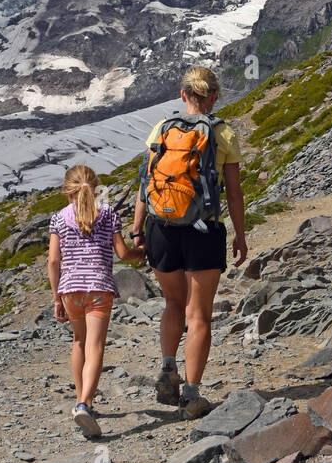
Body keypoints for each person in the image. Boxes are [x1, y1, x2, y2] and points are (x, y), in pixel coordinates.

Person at [131, 65, 247, 419]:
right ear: (213, 96)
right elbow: (235, 194)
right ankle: (191, 394)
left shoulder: (161, 129)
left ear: (184, 95)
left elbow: (143, 185)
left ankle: (168, 366)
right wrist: (240, 235)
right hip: (202, 230)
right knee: (199, 316)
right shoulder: (222, 133)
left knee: (172, 304)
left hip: (160, 228)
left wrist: (137, 233)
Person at [48, 163, 143, 439]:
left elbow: (54, 260)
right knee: (96, 345)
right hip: (98, 289)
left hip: (69, 290)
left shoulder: (58, 218)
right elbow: (123, 253)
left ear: (68, 192)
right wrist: (142, 253)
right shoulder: (109, 214)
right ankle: (83, 404)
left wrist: (56, 298)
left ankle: (83, 399)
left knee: (79, 342)